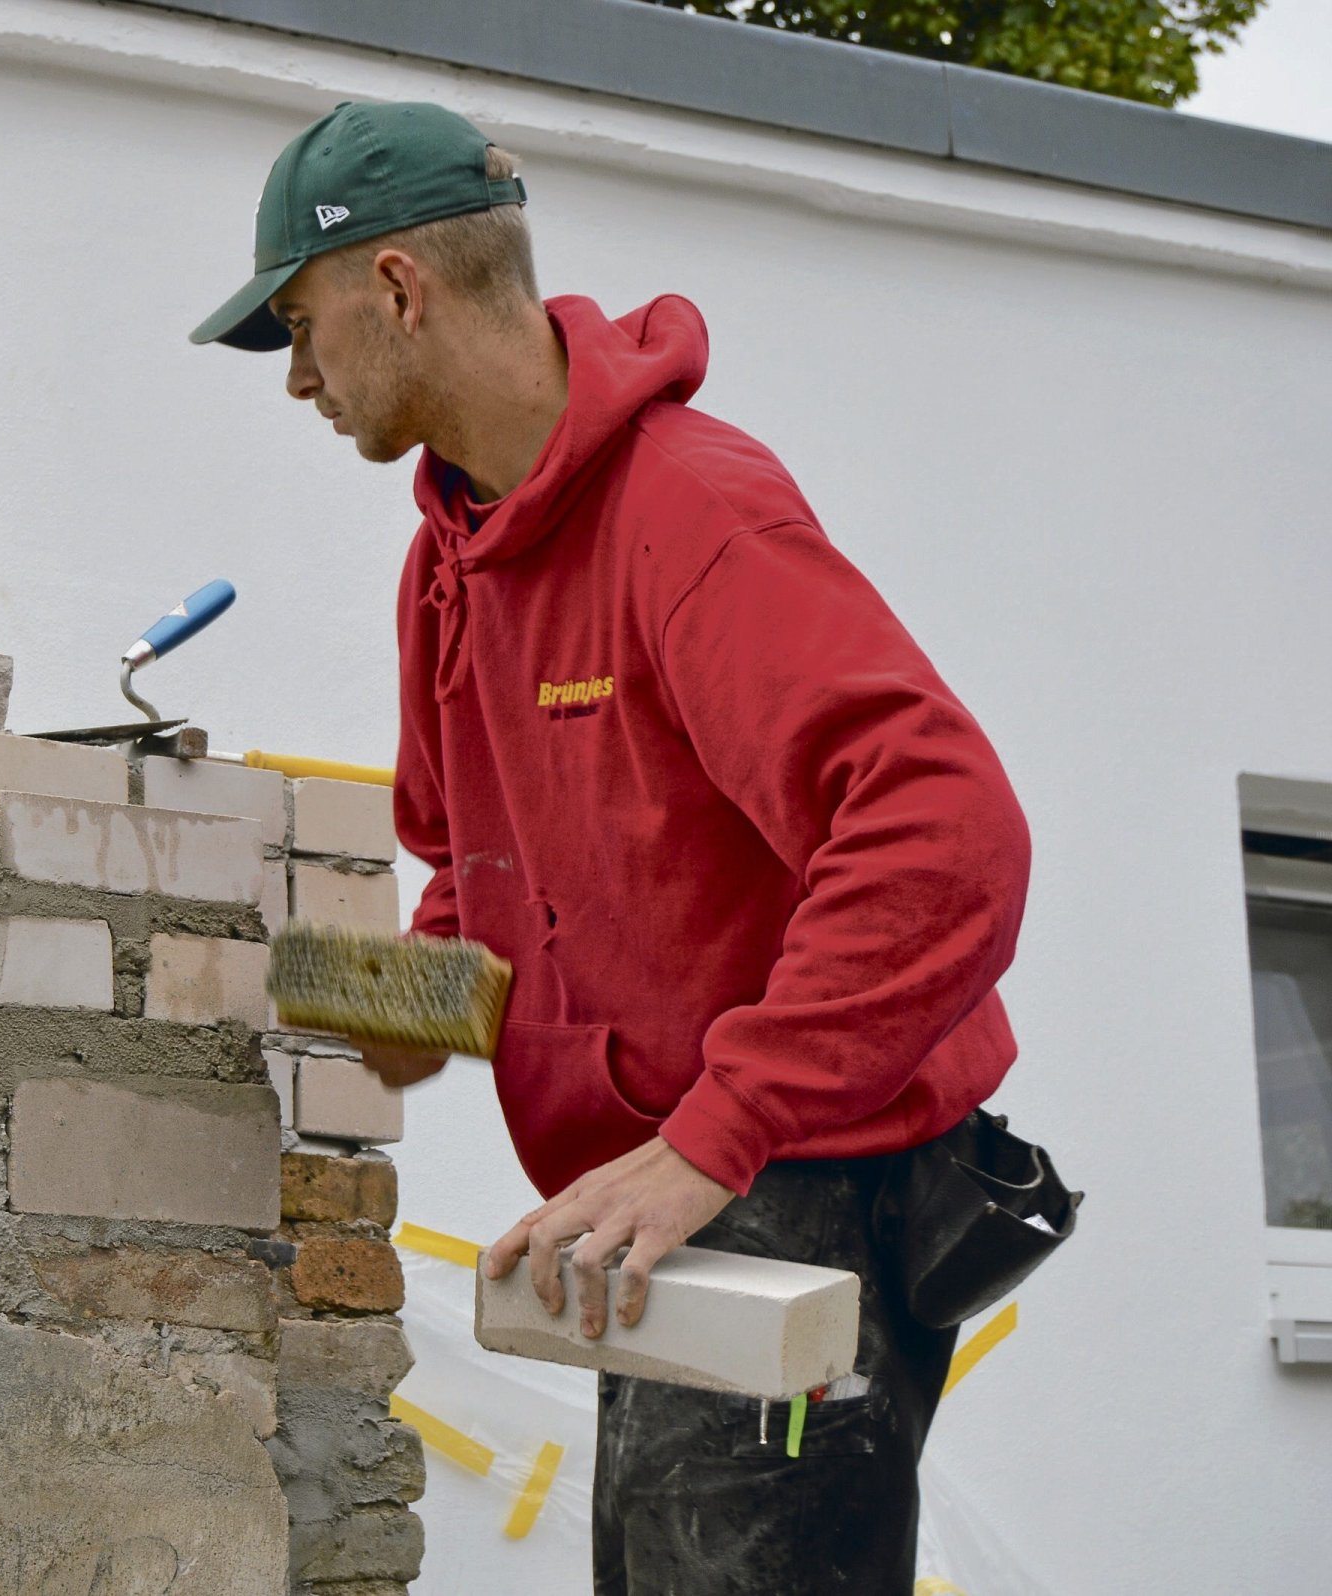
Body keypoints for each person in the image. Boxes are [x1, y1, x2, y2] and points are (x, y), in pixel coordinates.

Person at [192, 101, 1032, 1594]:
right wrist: (349, 1000)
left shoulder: (691, 514)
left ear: (399, 288)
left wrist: (711, 1142)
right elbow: (487, 890)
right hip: (664, 1199)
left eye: (305, 328)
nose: (300, 379)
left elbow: (942, 834)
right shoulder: (450, 562)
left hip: (809, 1183)